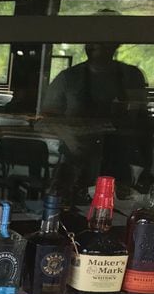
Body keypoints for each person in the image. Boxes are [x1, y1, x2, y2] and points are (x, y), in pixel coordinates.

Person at [42, 34, 150, 201]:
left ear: (115, 44)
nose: (97, 47)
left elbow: (140, 116)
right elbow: (47, 117)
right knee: (67, 208)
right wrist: (68, 136)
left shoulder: (131, 76)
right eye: (94, 42)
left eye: (104, 42)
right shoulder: (68, 77)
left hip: (118, 160)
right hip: (76, 160)